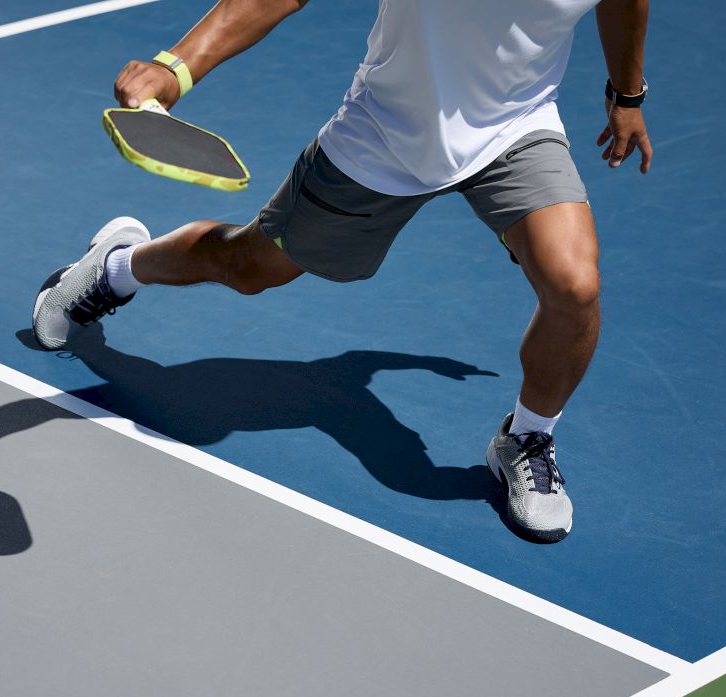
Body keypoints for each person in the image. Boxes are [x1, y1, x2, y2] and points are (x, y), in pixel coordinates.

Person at [32, 0, 653, 543]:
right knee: (248, 266)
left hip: (516, 127)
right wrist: (177, 67)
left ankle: (527, 438)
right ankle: (114, 268)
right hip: (385, 134)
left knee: (575, 287)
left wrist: (627, 95)